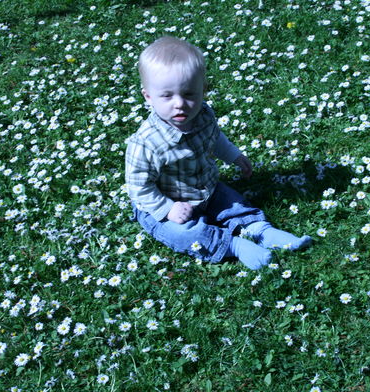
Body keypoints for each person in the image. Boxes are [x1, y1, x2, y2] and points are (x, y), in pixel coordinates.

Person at [125, 36, 312, 270]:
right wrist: (167, 208)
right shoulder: (146, 143)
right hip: (161, 205)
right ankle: (233, 245)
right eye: (167, 95)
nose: (180, 104)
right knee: (182, 233)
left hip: (206, 187)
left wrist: (233, 155)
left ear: (203, 89)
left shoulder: (203, 115)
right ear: (148, 96)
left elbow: (215, 139)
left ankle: (260, 230)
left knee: (232, 203)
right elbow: (137, 187)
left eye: (189, 94)